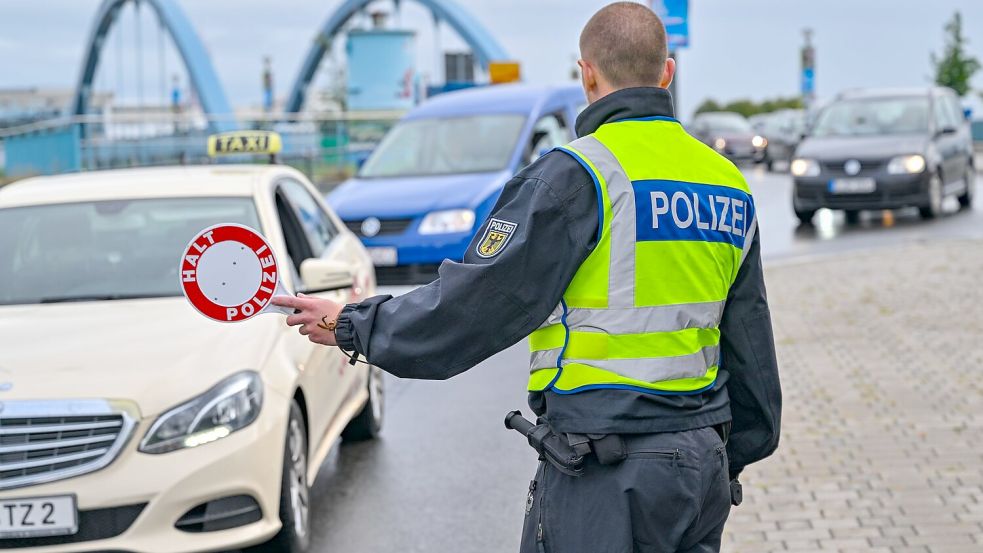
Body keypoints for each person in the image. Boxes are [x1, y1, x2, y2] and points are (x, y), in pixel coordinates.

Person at [272, 3, 781, 551]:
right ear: (667, 72)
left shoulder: (579, 174)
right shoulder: (725, 181)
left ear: (585, 72)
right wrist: (733, 451)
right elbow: (749, 336)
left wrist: (355, 325)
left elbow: (475, 304)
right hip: (701, 461)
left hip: (609, 468)